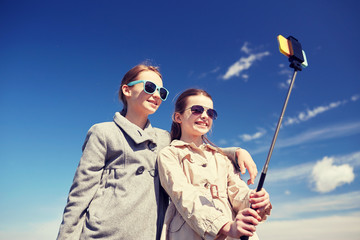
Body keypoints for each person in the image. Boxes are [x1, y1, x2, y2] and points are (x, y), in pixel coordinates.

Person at [57, 64, 258, 240]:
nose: (156, 95)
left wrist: (236, 152)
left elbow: (197, 147)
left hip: (151, 233)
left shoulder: (164, 139)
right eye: (150, 87)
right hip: (104, 233)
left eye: (161, 92)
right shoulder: (103, 132)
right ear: (126, 90)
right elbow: (79, 196)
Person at [158, 88, 272, 240]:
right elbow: (184, 196)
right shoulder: (168, 154)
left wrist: (255, 199)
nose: (205, 116)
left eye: (210, 113)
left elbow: (238, 192)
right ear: (178, 117)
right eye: (197, 110)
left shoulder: (222, 158)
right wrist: (226, 227)